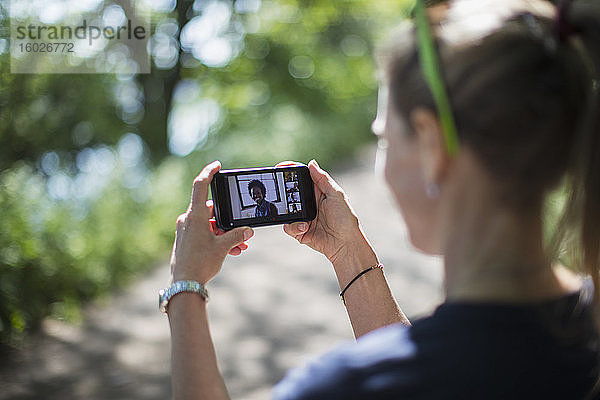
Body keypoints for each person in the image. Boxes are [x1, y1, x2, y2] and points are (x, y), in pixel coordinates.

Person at [162, 0, 600, 398]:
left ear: (431, 145)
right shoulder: (585, 323)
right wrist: (347, 251)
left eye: (384, 140)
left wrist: (186, 285)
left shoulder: (346, 386)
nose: (382, 163)